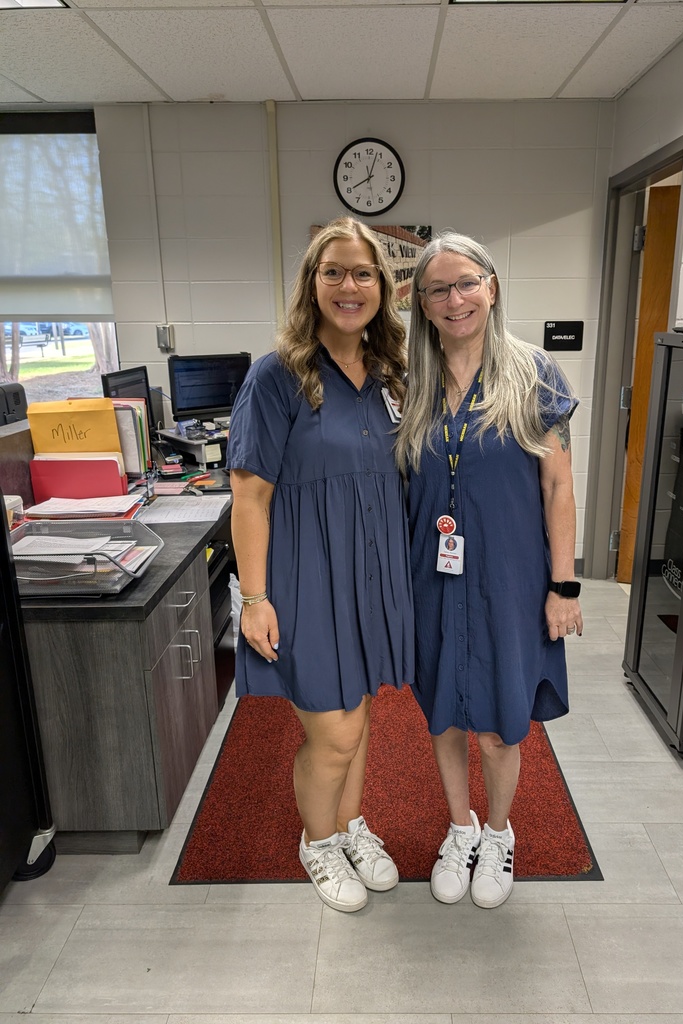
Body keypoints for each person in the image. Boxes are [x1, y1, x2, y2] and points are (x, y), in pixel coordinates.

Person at [226, 216, 414, 913]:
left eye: (362, 272)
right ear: (311, 283)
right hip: (307, 576)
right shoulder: (277, 377)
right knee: (331, 731)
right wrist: (255, 597)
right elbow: (249, 495)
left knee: (358, 716)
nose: (348, 284)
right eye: (332, 271)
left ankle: (347, 825)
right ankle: (316, 841)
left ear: (382, 287)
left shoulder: (391, 371)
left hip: (373, 574)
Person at [395, 231, 581, 910]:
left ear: (491, 286)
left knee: (502, 722)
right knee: (443, 714)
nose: (454, 299)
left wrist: (563, 586)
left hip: (509, 581)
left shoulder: (535, 375)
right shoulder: (408, 385)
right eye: (438, 289)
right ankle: (459, 827)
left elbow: (558, 488)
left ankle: (498, 834)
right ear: (420, 302)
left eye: (466, 282)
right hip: (432, 578)